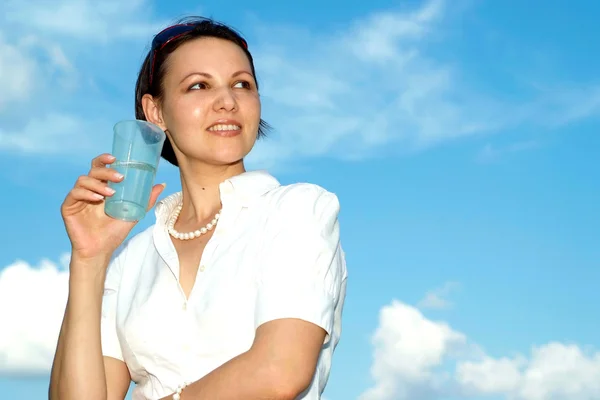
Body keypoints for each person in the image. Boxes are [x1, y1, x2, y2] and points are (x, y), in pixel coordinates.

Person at [49, 16, 347, 400]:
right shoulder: (132, 261)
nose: (227, 101)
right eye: (199, 86)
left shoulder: (296, 210)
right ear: (155, 112)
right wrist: (89, 259)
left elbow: (279, 371)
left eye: (242, 84)